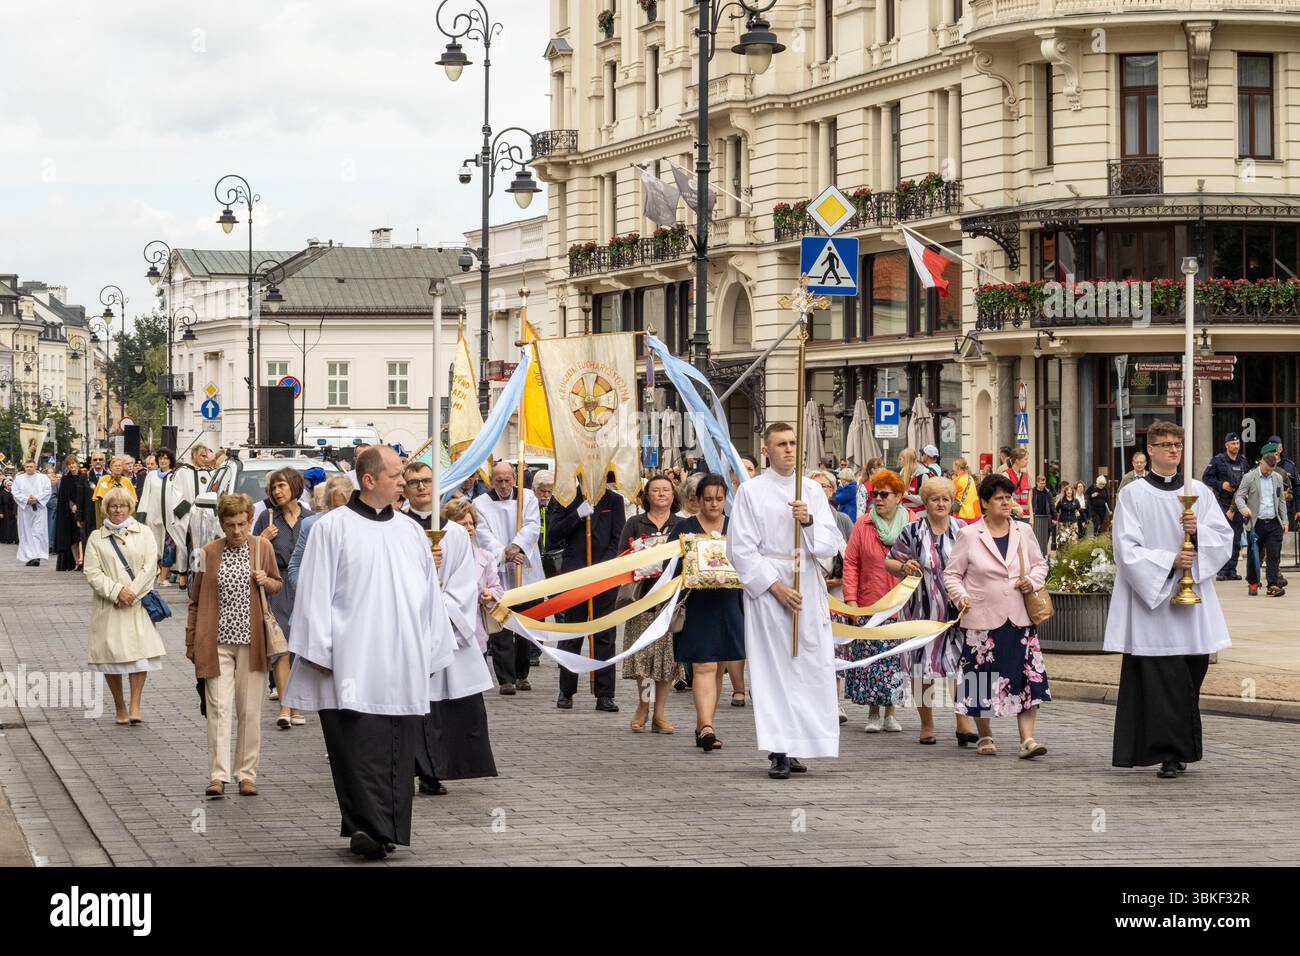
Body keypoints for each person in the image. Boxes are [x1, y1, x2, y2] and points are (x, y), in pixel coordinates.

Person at [283, 446, 455, 859]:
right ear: (370, 480)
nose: (404, 481)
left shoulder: (412, 531)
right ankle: (366, 827)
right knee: (357, 746)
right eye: (397, 475)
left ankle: (385, 828)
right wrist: (318, 650)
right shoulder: (331, 528)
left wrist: (432, 648)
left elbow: (428, 597)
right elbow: (313, 591)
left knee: (397, 746)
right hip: (350, 660)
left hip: (401, 659)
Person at [1106, 420, 1233, 779]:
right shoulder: (1133, 494)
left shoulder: (1199, 493)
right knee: (1161, 681)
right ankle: (1169, 753)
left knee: (1191, 674)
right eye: (1165, 445)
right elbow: (1125, 549)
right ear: (1150, 450)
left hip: (1192, 603)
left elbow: (1223, 538)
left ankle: (1180, 746)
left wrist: (1199, 533)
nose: (1174, 450)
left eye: (1178, 444)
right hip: (1154, 605)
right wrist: (1169, 562)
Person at [728, 422, 841, 779]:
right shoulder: (751, 491)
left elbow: (829, 543)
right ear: (767, 450)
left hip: (806, 580)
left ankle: (800, 743)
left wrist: (807, 522)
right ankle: (778, 747)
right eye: (781, 444)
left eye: (793, 443)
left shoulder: (811, 490)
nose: (789, 449)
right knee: (773, 667)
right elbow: (740, 547)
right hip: (770, 589)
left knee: (808, 665)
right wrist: (775, 587)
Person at [943, 473, 1051, 759]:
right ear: (985, 503)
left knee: (1027, 677)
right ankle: (985, 735)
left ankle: (1027, 739)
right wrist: (961, 596)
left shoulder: (1023, 531)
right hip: (981, 616)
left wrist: (1032, 580)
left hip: (1019, 617)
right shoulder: (969, 534)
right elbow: (952, 574)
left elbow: (1040, 565)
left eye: (1008, 497)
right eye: (999, 498)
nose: (1006, 503)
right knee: (980, 679)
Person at [185, 493, 281, 798]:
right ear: (221, 524)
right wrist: (191, 641)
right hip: (217, 642)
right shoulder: (207, 552)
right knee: (218, 708)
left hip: (252, 642)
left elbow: (278, 585)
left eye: (241, 524)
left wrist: (266, 580)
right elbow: (195, 600)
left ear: (250, 520)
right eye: (230, 525)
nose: (237, 531)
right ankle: (218, 774)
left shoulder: (262, 547)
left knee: (249, 711)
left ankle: (246, 773)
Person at [411, 497, 498, 796]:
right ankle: (411, 768)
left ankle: (436, 769)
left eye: (426, 481)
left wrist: (443, 610)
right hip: (410, 627)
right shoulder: (401, 529)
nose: (421, 488)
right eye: (413, 482)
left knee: (443, 706)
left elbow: (464, 583)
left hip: (448, 626)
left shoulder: (456, 536)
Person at [885, 477, 977, 746]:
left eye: (945, 499)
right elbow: (889, 561)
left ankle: (963, 721)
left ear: (952, 503)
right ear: (925, 502)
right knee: (920, 666)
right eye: (935, 499)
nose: (940, 503)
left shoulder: (963, 530)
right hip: (920, 609)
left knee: (962, 663)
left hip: (956, 609)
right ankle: (927, 724)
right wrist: (903, 567)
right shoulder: (912, 531)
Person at [668, 473, 745, 752]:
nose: (714, 504)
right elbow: (670, 566)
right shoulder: (683, 527)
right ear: (697, 500)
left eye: (719, 499)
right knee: (703, 665)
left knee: (717, 666)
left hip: (728, 604)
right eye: (708, 499)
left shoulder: (737, 527)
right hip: (696, 605)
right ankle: (708, 728)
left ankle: (703, 723)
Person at [84, 486, 166, 724]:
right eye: (113, 506)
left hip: (136, 604)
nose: (118, 510)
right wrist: (117, 591)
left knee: (140, 655)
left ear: (130, 507)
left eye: (122, 506)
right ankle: (119, 705)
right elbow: (92, 573)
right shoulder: (95, 538)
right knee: (112, 657)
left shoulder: (145, 532)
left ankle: (135, 705)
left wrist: (133, 593)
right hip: (111, 606)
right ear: (106, 509)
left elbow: (150, 566)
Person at [840, 469, 907, 733]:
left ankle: (891, 712)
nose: (878, 499)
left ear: (898, 497)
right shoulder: (863, 525)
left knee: (895, 659)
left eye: (884, 494)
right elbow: (851, 563)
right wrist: (851, 601)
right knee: (872, 659)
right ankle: (873, 712)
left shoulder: (910, 523)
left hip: (901, 602)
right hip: (869, 601)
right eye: (874, 494)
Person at [551, 476, 625, 711]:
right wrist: (577, 516)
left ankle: (604, 693)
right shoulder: (565, 499)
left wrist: (601, 568)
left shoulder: (614, 500)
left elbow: (618, 538)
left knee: (604, 635)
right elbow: (552, 534)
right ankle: (566, 690)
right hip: (575, 576)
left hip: (603, 576)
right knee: (572, 634)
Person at [619, 474, 683, 731]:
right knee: (643, 658)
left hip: (671, 599)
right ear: (647, 496)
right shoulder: (635, 523)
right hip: (642, 598)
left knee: (667, 659)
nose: (661, 494)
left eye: (666, 490)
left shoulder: (681, 524)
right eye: (655, 491)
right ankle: (643, 705)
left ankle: (660, 714)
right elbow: (622, 556)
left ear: (673, 495)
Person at [473, 461, 541, 694]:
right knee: (500, 624)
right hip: (498, 570)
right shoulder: (480, 504)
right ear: (491, 481)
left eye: (508, 480)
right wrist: (504, 553)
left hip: (526, 567)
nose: (503, 485)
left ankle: (522, 674)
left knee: (524, 624)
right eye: (498, 481)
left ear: (514, 478)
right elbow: (482, 533)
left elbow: (533, 526)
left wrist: (518, 546)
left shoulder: (527, 497)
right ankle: (505, 679)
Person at [252, 468, 312, 728]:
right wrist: (262, 540)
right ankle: (286, 707)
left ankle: (295, 707)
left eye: (282, 486)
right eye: (273, 488)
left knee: (299, 648)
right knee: (280, 647)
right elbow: (250, 551)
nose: (277, 492)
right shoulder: (267, 519)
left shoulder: (311, 519)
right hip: (275, 586)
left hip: (305, 587)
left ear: (295, 487)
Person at [1235, 452, 1289, 597]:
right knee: (1254, 555)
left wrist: (1285, 521)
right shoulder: (1249, 477)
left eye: (1272, 470)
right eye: (1267, 469)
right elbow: (1239, 496)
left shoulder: (1277, 478)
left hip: (1273, 522)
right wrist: (1244, 509)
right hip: (1255, 523)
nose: (1269, 472)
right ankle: (1253, 582)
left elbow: (1282, 500)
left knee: (1273, 555)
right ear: (1261, 463)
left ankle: (1272, 585)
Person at [287, 475, 354, 591]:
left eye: (345, 507)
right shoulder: (312, 525)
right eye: (335, 507)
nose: (339, 512)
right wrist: (307, 593)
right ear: (327, 503)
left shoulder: (363, 525)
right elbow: (295, 567)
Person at [1202, 432, 1249, 580]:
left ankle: (1232, 570)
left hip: (1239, 503)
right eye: (1233, 444)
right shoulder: (1218, 460)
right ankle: (1221, 570)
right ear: (1227, 445)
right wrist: (1222, 484)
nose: (1236, 446)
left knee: (1236, 537)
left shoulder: (1243, 461)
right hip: (1222, 501)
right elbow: (1206, 478)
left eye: (1237, 443)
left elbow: (1248, 479)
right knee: (1222, 536)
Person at [55, 454, 93, 571]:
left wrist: (79, 505)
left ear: (77, 463)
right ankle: (77, 561)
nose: (71, 466)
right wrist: (72, 505)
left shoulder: (84, 476)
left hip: (82, 511)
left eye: (73, 463)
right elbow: (64, 496)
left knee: (81, 537)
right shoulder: (65, 478)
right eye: (69, 464)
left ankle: (82, 560)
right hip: (70, 513)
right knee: (72, 538)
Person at [14, 460, 52, 566]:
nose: (29, 468)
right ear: (24, 467)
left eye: (31, 466)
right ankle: (29, 556)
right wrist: (26, 499)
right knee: (26, 533)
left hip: (39, 509)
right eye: (27, 466)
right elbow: (15, 492)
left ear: (35, 467)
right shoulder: (19, 479)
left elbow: (47, 490)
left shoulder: (43, 478)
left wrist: (36, 498)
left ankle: (37, 556)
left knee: (38, 532)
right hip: (25, 510)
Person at [92, 456, 137, 528]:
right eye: (115, 465)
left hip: (123, 515)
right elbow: (98, 502)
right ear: (111, 468)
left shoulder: (127, 481)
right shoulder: (104, 479)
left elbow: (132, 501)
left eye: (120, 466)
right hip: (107, 514)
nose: (118, 467)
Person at [1031, 473, 1055, 553]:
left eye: (1044, 483)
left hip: (1046, 518)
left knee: (1045, 538)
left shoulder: (1048, 492)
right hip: (1036, 518)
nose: (1043, 485)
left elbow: (1052, 505)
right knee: (1035, 538)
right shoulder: (1033, 492)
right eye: (1041, 483)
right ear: (1037, 482)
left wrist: (1054, 517)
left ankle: (1043, 555)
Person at [1005, 447, 1031, 519]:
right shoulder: (1006, 475)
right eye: (1025, 459)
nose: (1027, 461)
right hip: (1012, 515)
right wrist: (1017, 508)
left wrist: (1031, 517)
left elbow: (1029, 498)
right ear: (1017, 460)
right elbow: (1006, 496)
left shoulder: (1025, 475)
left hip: (1026, 516)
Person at [1055, 483, 1083, 547]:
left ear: (1072, 492)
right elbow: (1056, 510)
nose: (1069, 492)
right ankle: (1061, 556)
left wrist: (1085, 520)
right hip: (1063, 523)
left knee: (1073, 540)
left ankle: (1071, 555)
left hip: (1073, 523)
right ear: (1065, 492)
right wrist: (1055, 519)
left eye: (1070, 490)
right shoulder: (1061, 501)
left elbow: (1080, 511)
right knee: (1062, 540)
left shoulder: (1076, 501)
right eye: (1067, 490)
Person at [0, 477, 17, 544]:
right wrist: (0, 512)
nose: (10, 486)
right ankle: (6, 539)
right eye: (9, 485)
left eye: (11, 485)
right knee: (6, 525)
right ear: (5, 486)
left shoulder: (14, 493)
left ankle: (12, 538)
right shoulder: (2, 493)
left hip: (12, 511)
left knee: (13, 525)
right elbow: (0, 503)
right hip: (5, 511)